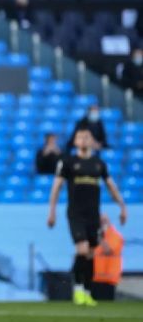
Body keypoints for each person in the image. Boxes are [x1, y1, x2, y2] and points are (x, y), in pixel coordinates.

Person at [47, 128, 127, 307]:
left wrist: (122, 206)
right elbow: (56, 187)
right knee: (82, 250)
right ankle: (77, 290)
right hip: (76, 214)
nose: (83, 140)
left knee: (91, 254)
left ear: (92, 141)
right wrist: (52, 211)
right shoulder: (68, 162)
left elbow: (111, 186)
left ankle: (88, 292)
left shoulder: (99, 164)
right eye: (79, 137)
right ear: (75, 142)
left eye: (86, 137)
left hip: (93, 215)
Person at [92, 214, 125, 301]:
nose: (102, 224)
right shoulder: (94, 236)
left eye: (104, 221)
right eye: (100, 222)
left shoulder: (115, 236)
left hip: (108, 279)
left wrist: (100, 237)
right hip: (95, 279)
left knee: (106, 305)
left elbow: (108, 250)